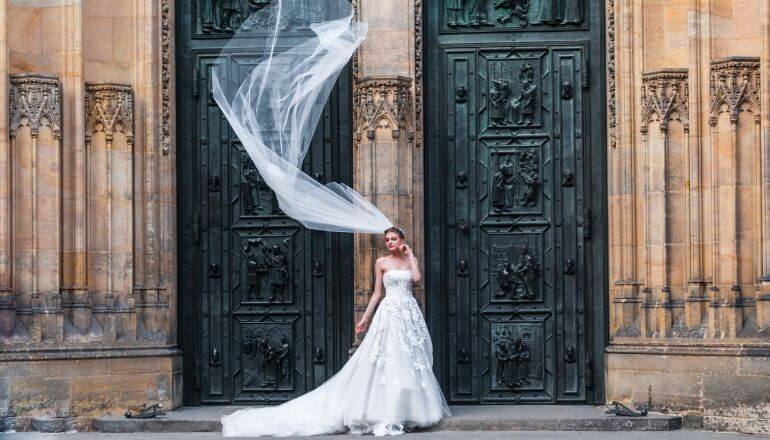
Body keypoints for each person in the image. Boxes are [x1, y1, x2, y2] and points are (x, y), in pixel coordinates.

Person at [221, 227, 451, 437]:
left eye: (394, 239)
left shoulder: (410, 260)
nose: (389, 242)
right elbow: (377, 293)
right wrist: (365, 318)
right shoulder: (381, 262)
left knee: (408, 358)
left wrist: (410, 254)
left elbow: (418, 280)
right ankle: (384, 411)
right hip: (390, 313)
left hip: (409, 313)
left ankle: (409, 410)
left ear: (402, 240)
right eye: (387, 240)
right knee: (386, 359)